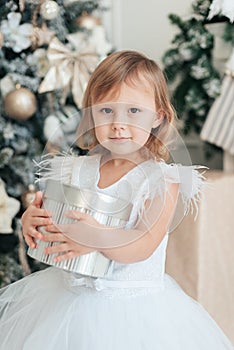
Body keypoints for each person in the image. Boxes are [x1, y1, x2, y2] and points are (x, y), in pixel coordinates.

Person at [0, 50, 233, 350]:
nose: (118, 124)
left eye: (133, 111)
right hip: (65, 300)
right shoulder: (75, 170)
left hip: (133, 307)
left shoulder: (160, 181)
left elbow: (143, 244)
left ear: (158, 116)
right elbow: (52, 217)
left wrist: (96, 239)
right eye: (106, 111)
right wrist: (33, 222)